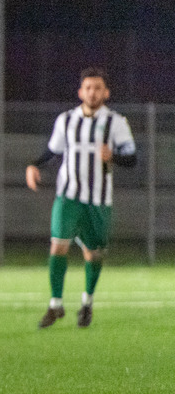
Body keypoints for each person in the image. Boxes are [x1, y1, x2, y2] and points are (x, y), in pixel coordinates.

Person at [25, 67, 136, 329]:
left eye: (98, 88)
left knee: (94, 253)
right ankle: (55, 305)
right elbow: (53, 151)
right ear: (80, 91)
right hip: (69, 196)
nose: (92, 92)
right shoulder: (66, 120)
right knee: (58, 245)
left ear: (106, 92)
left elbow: (132, 159)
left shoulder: (116, 123)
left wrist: (114, 157)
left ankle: (87, 302)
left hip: (98, 200)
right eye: (88, 87)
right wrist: (34, 164)